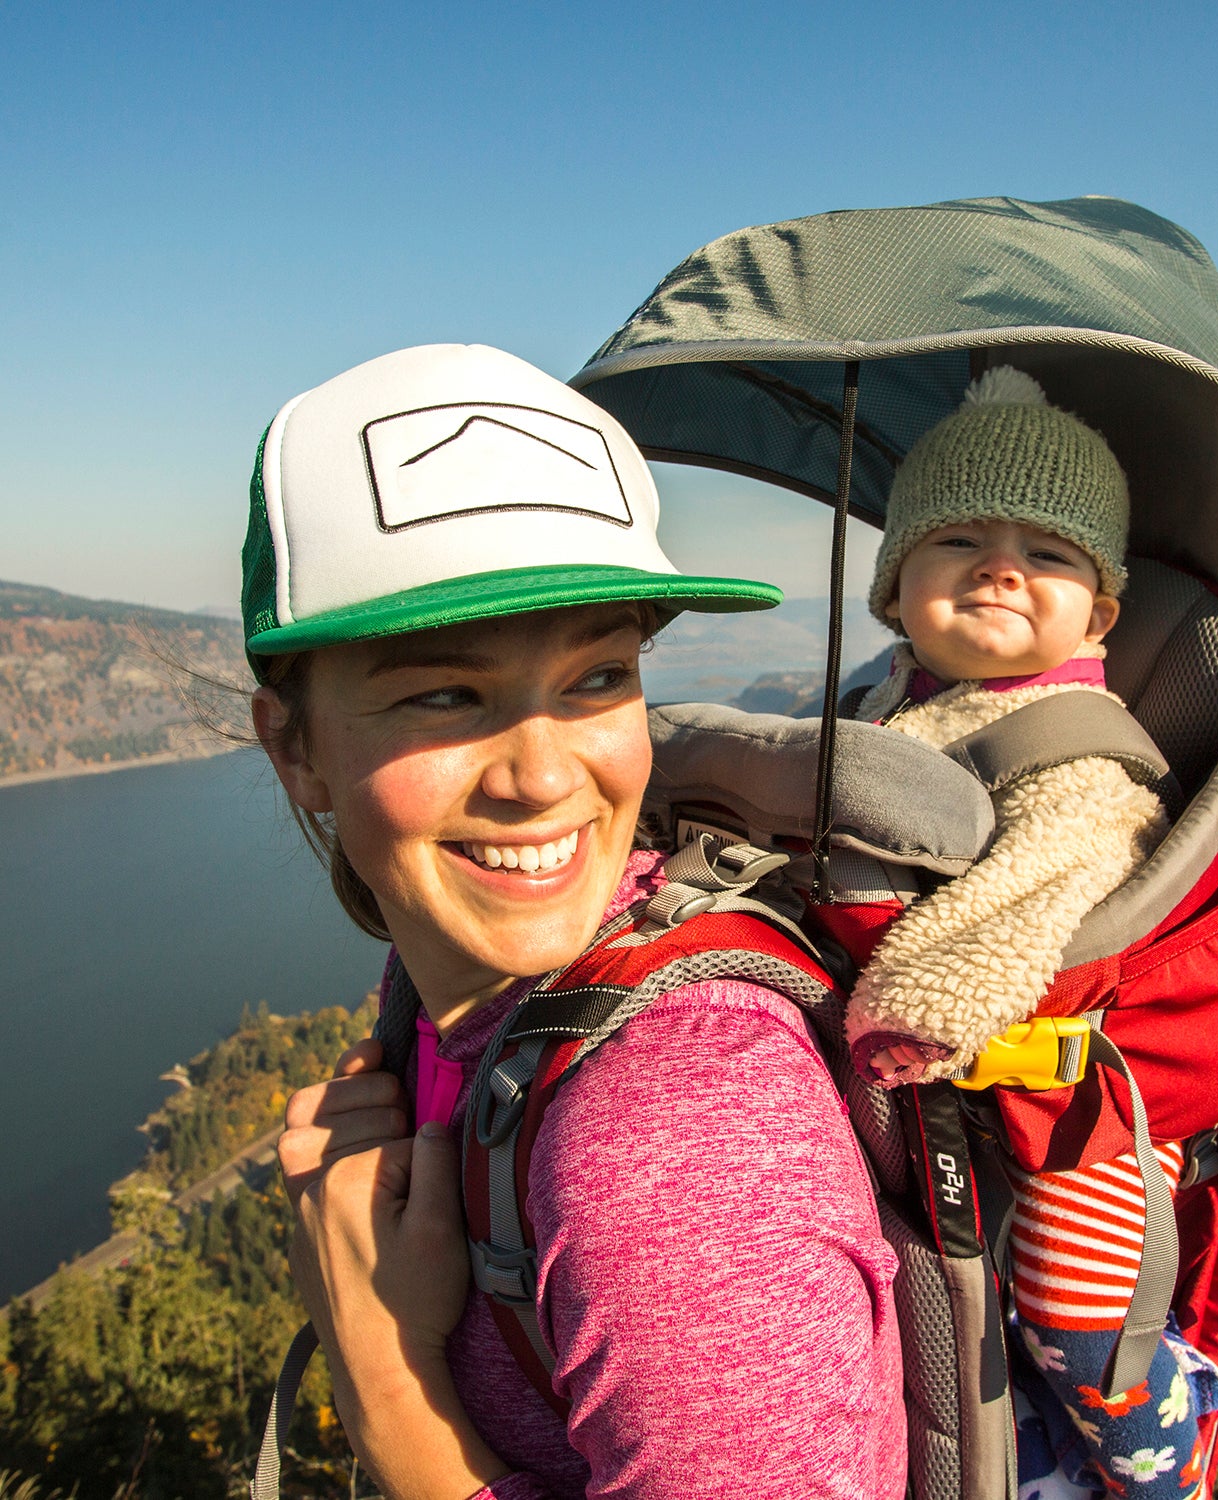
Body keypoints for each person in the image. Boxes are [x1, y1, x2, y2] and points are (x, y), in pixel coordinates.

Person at [254, 344, 905, 1500]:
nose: (544, 777)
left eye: (599, 676)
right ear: (293, 743)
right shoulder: (468, 996)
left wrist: (386, 1385)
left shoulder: (672, 1134)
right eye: (445, 694)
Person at [842, 368, 1218, 1497]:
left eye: (1049, 554)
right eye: (958, 536)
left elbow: (1036, 904)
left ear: (1099, 615)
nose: (1001, 566)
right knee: (959, 1327)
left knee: (1077, 1310)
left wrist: (913, 1007)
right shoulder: (891, 707)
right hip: (969, 1106)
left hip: (1079, 1113)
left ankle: (1165, 1455)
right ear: (893, 586)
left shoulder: (1078, 751)